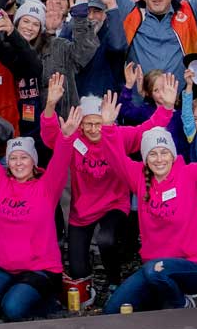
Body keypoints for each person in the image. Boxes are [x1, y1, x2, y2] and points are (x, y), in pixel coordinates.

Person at [101, 81, 197, 313]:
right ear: (145, 159)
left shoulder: (190, 175)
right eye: (152, 154)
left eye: (164, 152)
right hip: (153, 269)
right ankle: (165, 299)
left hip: (195, 267)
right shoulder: (139, 176)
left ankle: (182, 303)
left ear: (173, 155)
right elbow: (115, 158)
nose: (159, 159)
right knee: (113, 309)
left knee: (157, 272)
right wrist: (107, 127)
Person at [48, 80, 172, 303]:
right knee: (77, 271)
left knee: (106, 239)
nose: (95, 129)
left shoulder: (116, 135)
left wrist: (167, 107)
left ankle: (115, 279)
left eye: (98, 123)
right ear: (81, 125)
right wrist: (50, 106)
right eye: (89, 124)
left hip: (114, 204)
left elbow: (147, 129)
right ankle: (88, 286)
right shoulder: (74, 140)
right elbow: (50, 139)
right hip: (82, 210)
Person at [0, 82, 75, 321]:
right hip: (4, 265)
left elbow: (62, 158)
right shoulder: (0, 182)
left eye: (24, 158)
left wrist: (66, 135)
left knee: (12, 310)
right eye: (13, 158)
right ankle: (11, 294)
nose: (19, 163)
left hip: (39, 267)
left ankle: (49, 298)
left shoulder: (46, 185)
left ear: (33, 162)